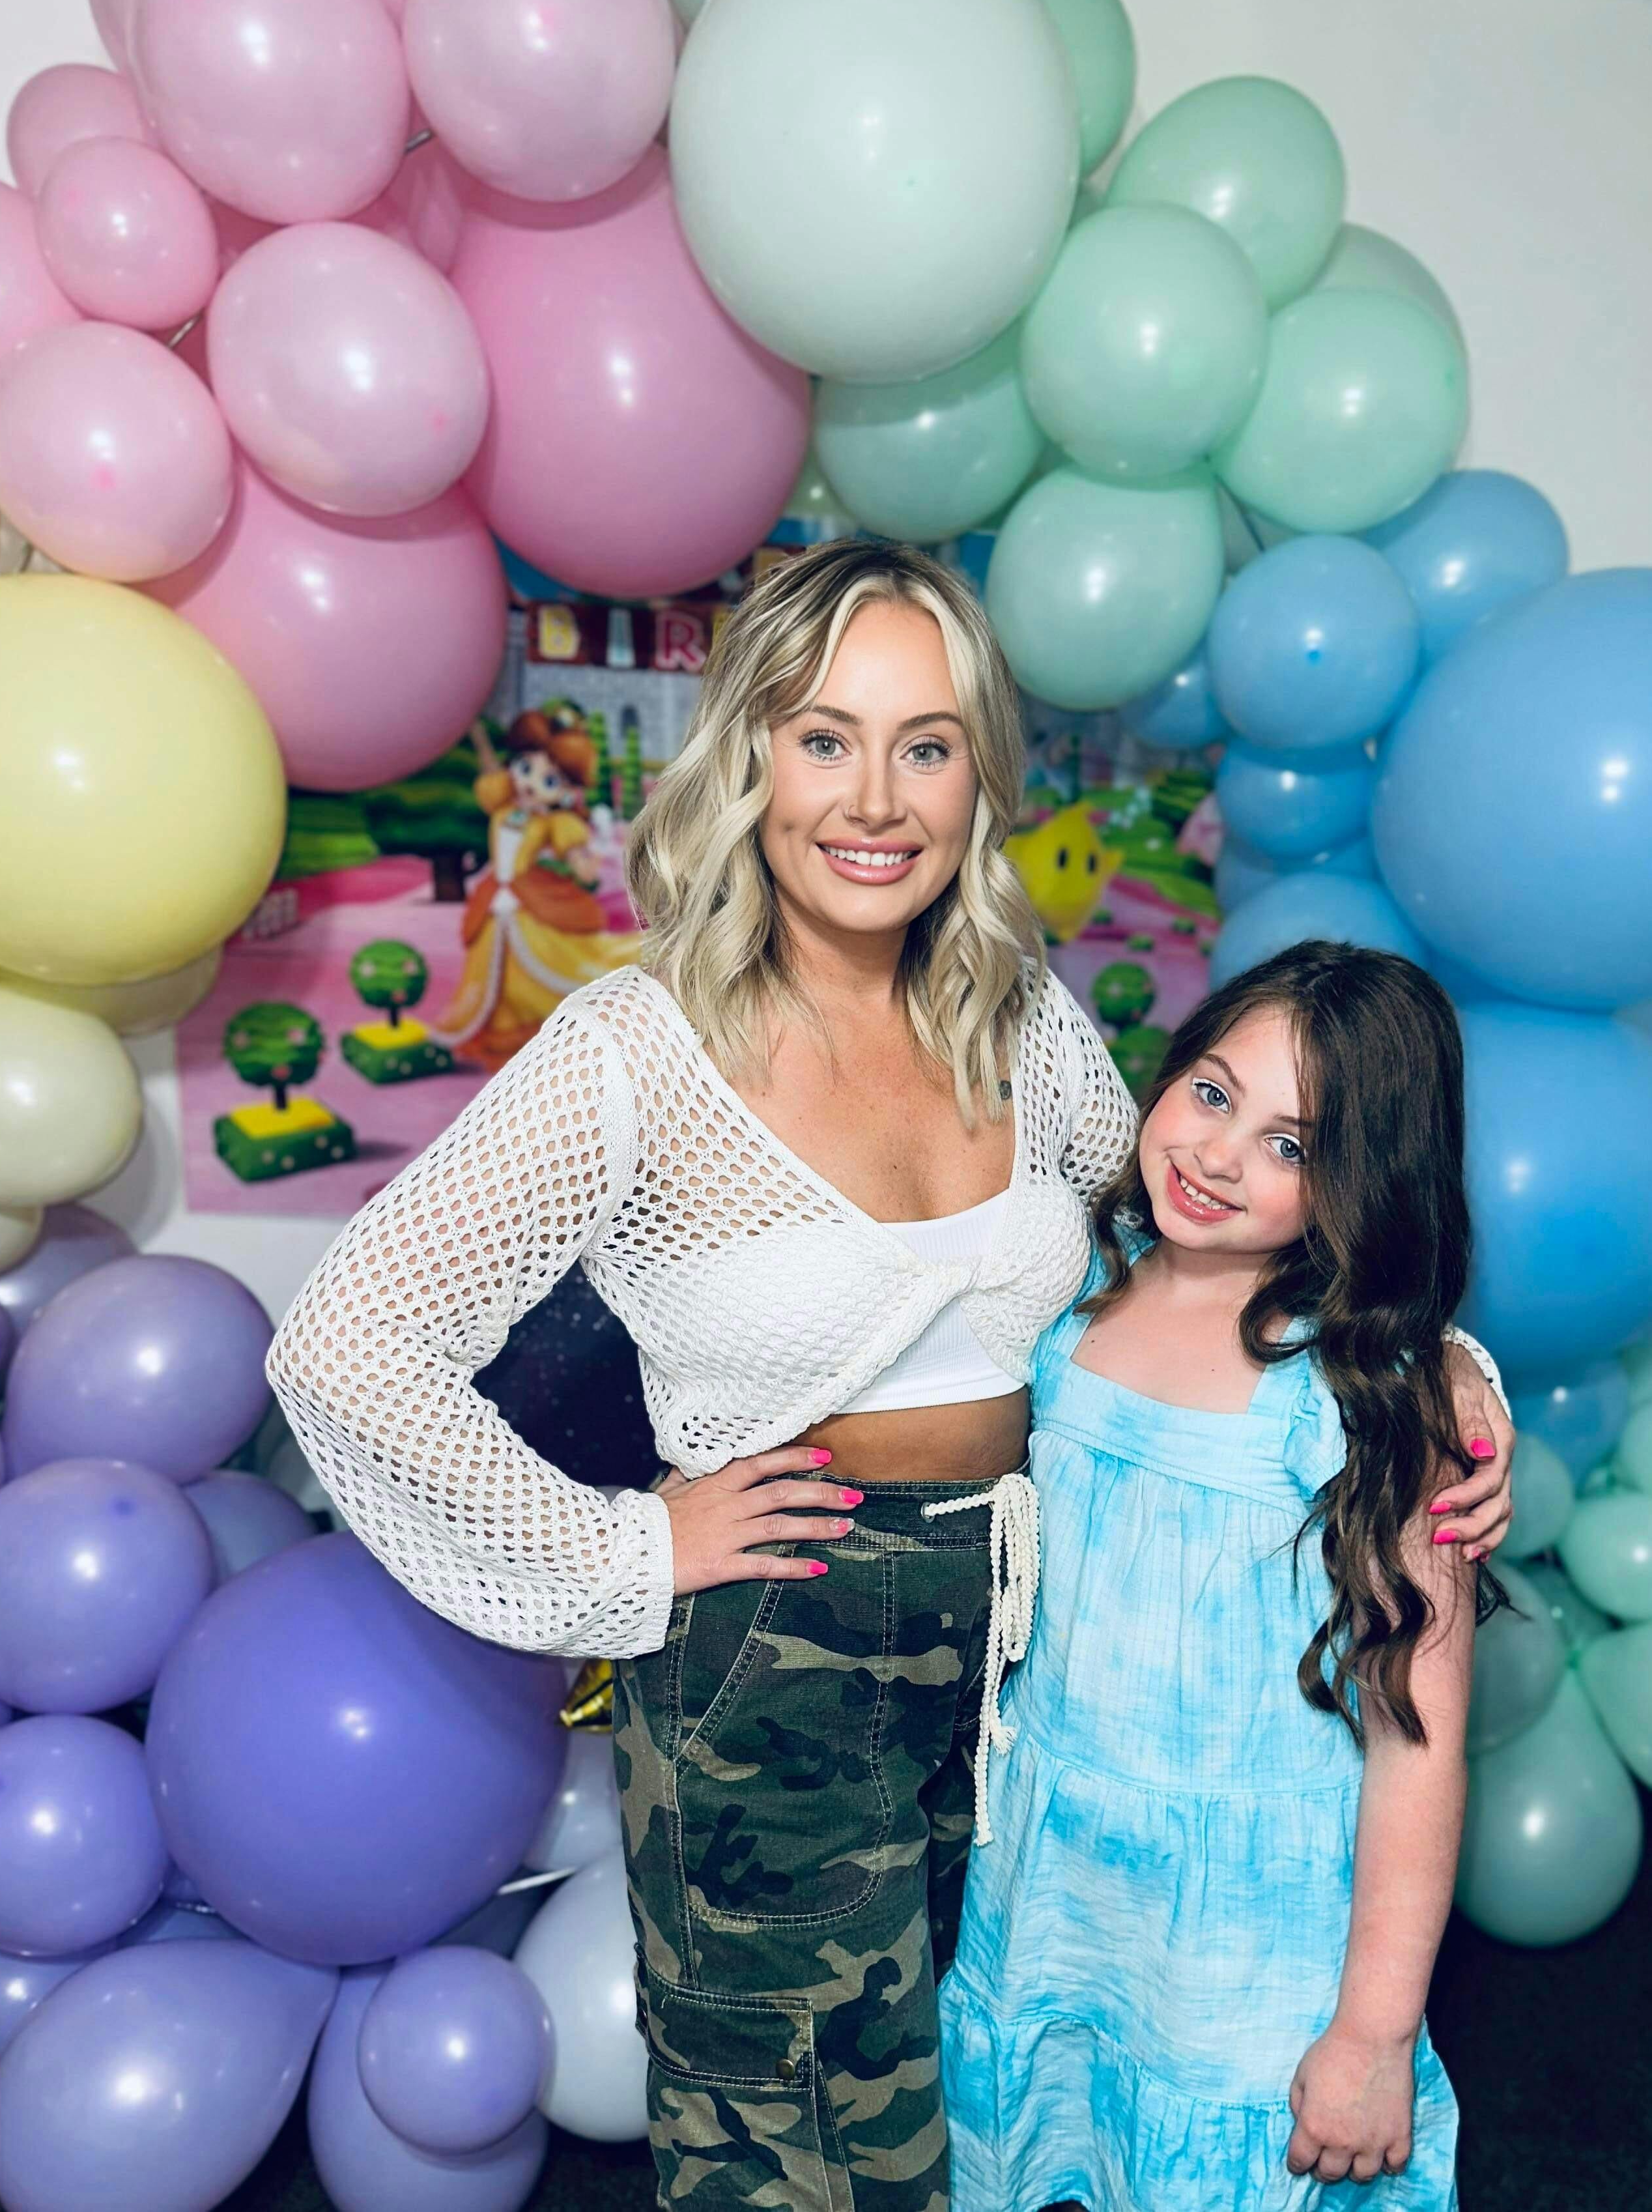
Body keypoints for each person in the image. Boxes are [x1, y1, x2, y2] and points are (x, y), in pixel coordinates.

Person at [264, 541, 1513, 2212]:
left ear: (974, 775)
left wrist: (1431, 1365)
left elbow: (1183, 1238)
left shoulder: (1017, 1020)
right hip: (772, 1659)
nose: (874, 798)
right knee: (792, 2149)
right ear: (749, 757)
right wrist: (625, 1547)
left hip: (1014, 1657)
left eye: (924, 744)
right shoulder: (634, 1051)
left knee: (968, 2113)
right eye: (822, 737)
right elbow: (346, 1337)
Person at [939, 943, 1498, 2212]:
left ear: (1362, 1178)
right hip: (1059, 1875)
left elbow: (1417, 1742)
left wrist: (1372, 2033)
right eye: (1209, 1092)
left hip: (1249, 1930)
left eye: (1290, 1145)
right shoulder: (1074, 1285)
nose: (1217, 1154)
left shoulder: (1373, 1401)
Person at [431, 704, 642, 1069]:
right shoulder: (503, 806)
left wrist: (588, 862)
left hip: (527, 902)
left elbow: (579, 858)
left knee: (544, 965)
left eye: (549, 781)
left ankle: (546, 1031)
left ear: (565, 791)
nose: (531, 784)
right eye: (526, 769)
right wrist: (477, 733)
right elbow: (490, 770)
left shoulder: (552, 823)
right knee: (495, 968)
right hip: (494, 899)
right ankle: (504, 1026)